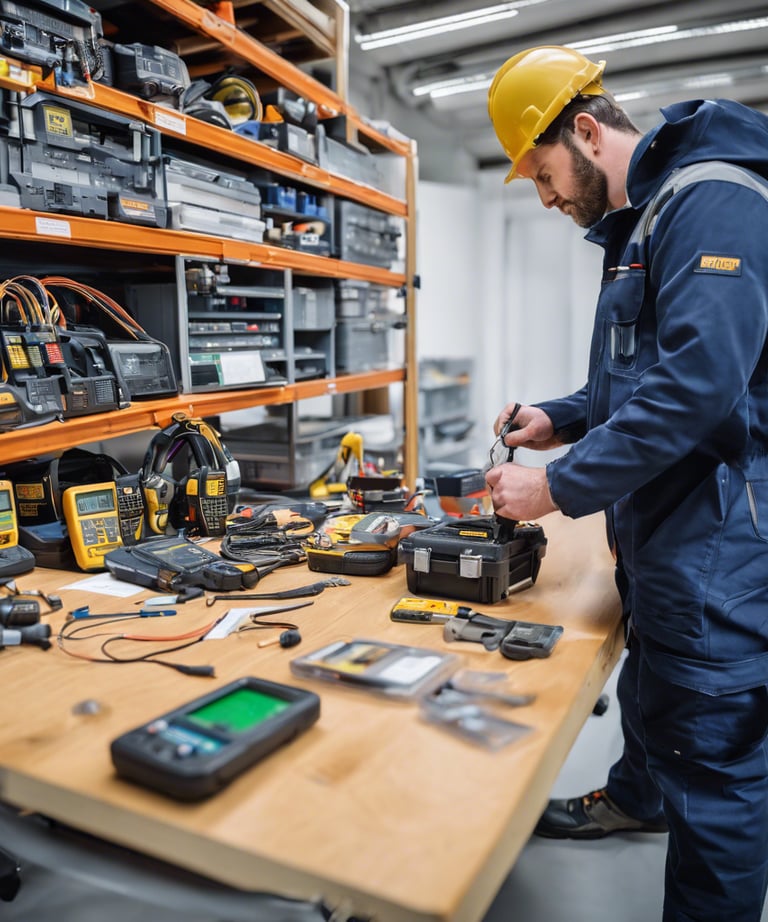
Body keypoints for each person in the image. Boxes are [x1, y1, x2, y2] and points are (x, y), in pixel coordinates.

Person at [485, 45, 768, 922]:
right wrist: (559, 418)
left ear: (584, 129)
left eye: (543, 175)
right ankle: (639, 799)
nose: (546, 198)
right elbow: (639, 381)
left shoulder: (712, 200)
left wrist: (554, 489)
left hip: (720, 540)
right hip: (668, 527)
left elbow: (697, 388)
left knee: (714, 759)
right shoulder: (646, 219)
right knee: (654, 679)